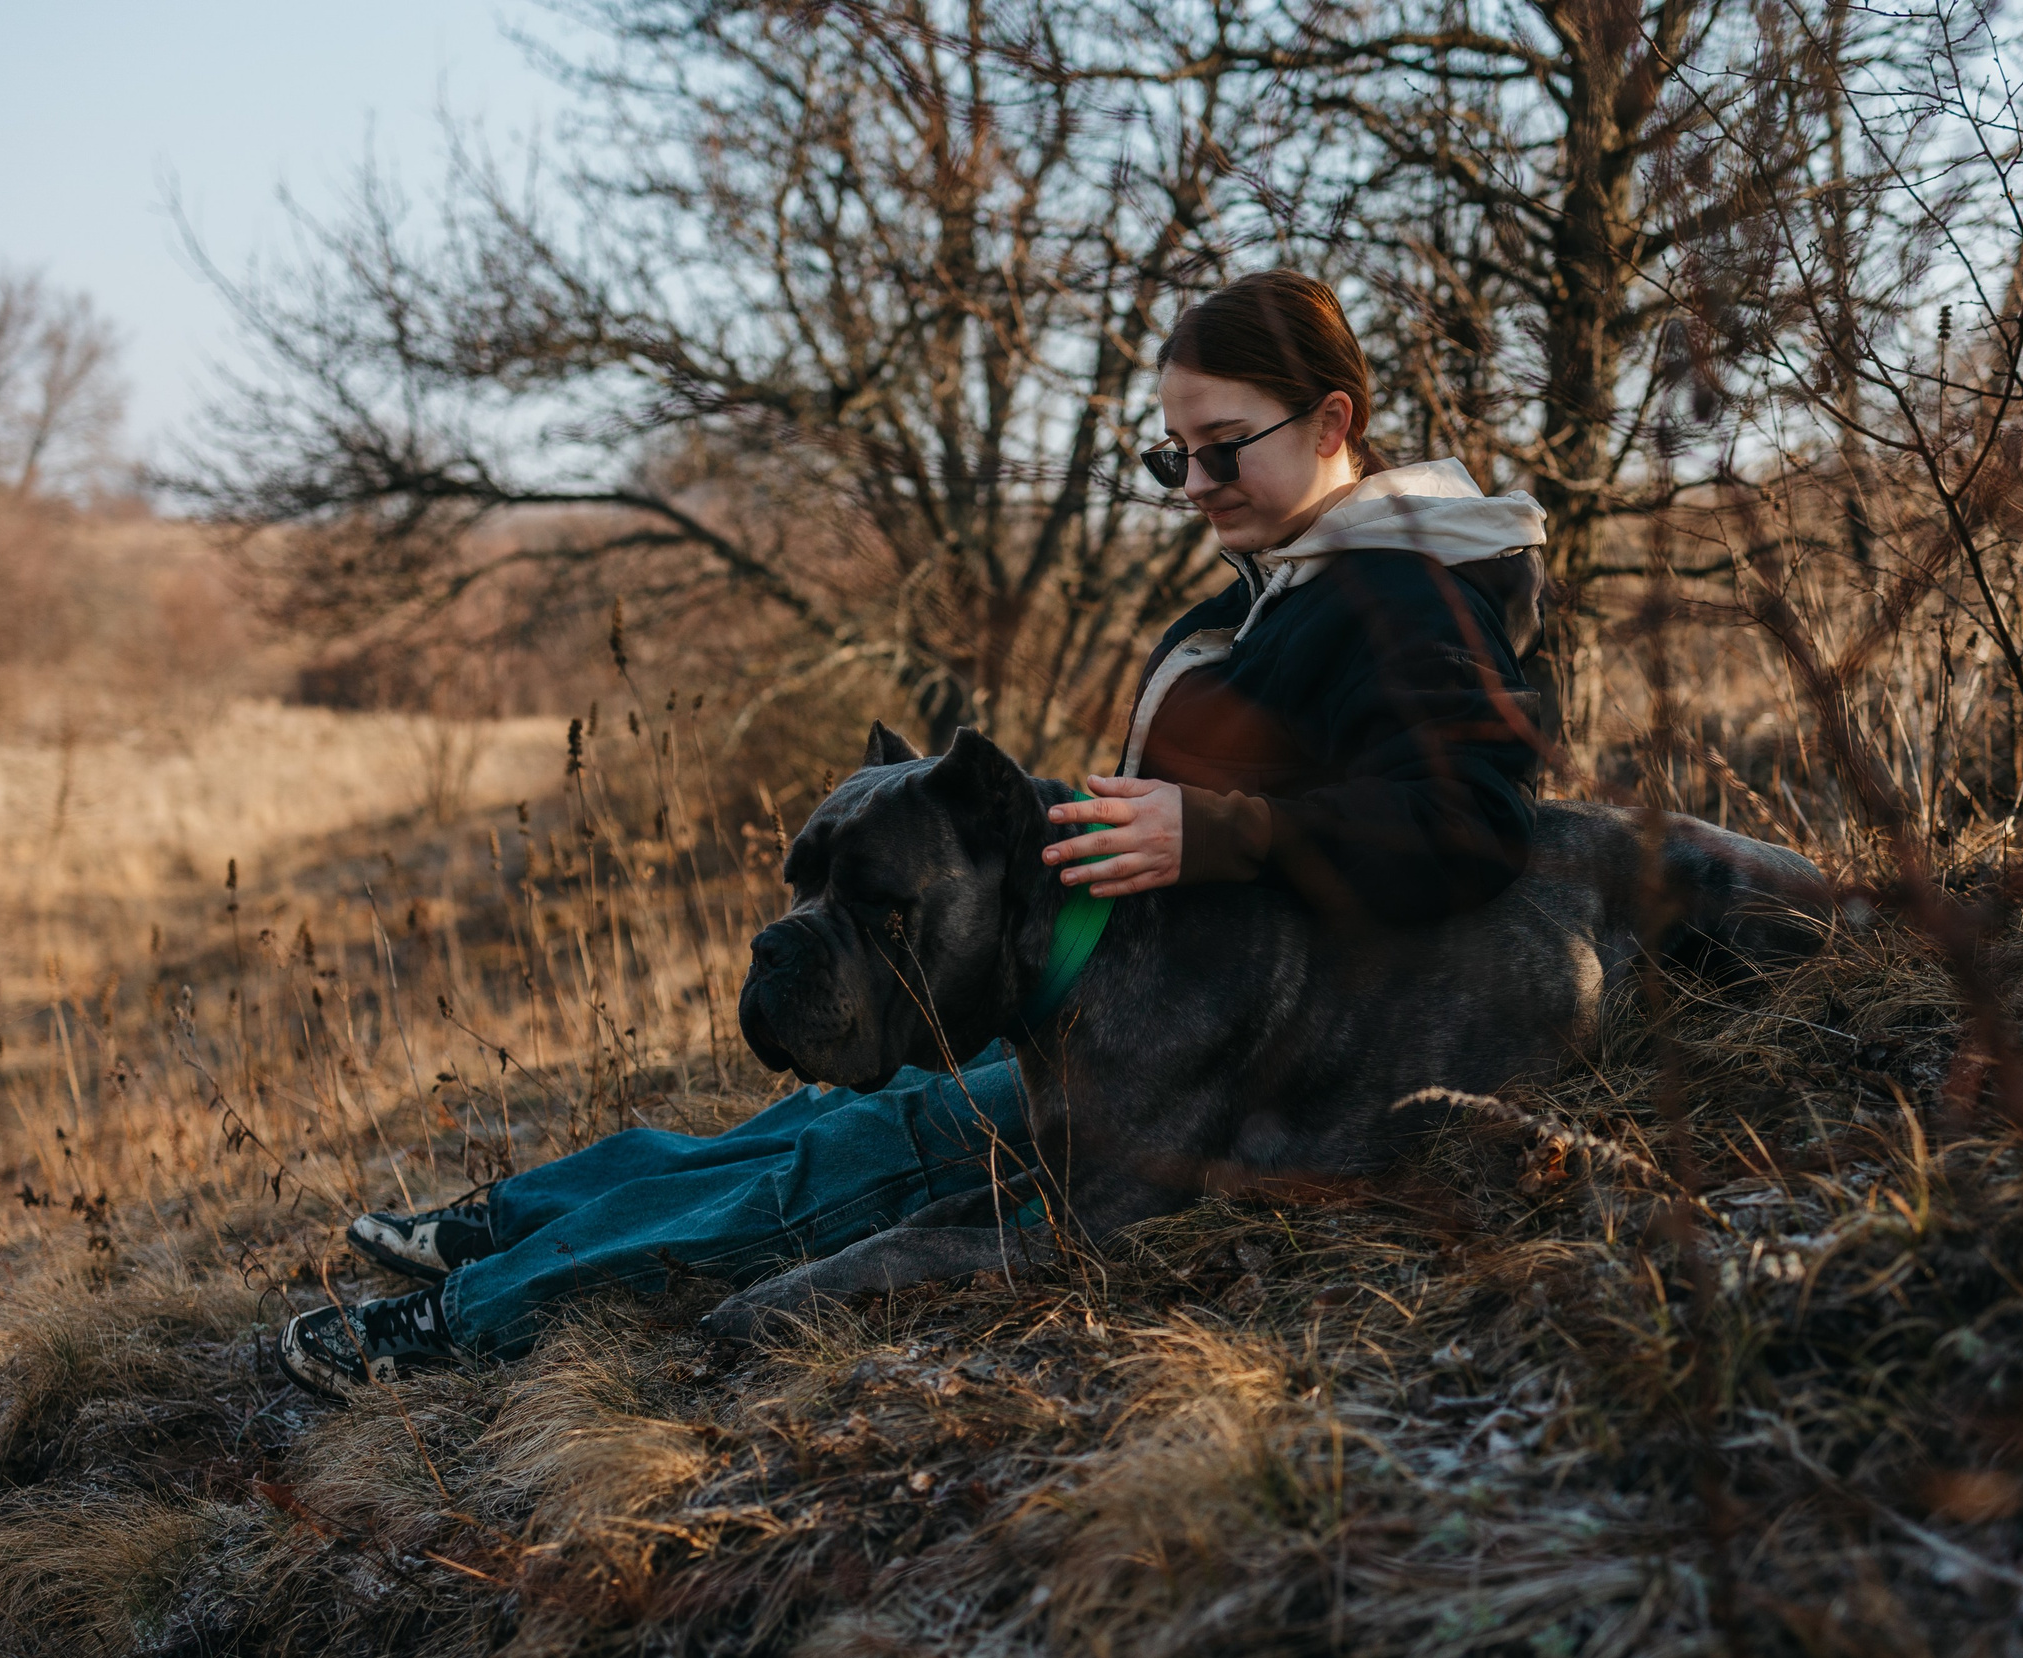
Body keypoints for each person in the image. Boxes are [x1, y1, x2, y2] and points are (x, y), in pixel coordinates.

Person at [276, 270, 1551, 1396]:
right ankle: (506, 1223)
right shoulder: (1291, 583)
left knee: (851, 1161)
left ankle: (461, 1324)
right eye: (1174, 457)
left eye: (1224, 448)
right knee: (797, 1128)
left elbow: (1476, 823)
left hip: (1243, 1059)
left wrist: (1218, 831)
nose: (1198, 486)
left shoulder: (1403, 592)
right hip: (1151, 1013)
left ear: (1333, 421)